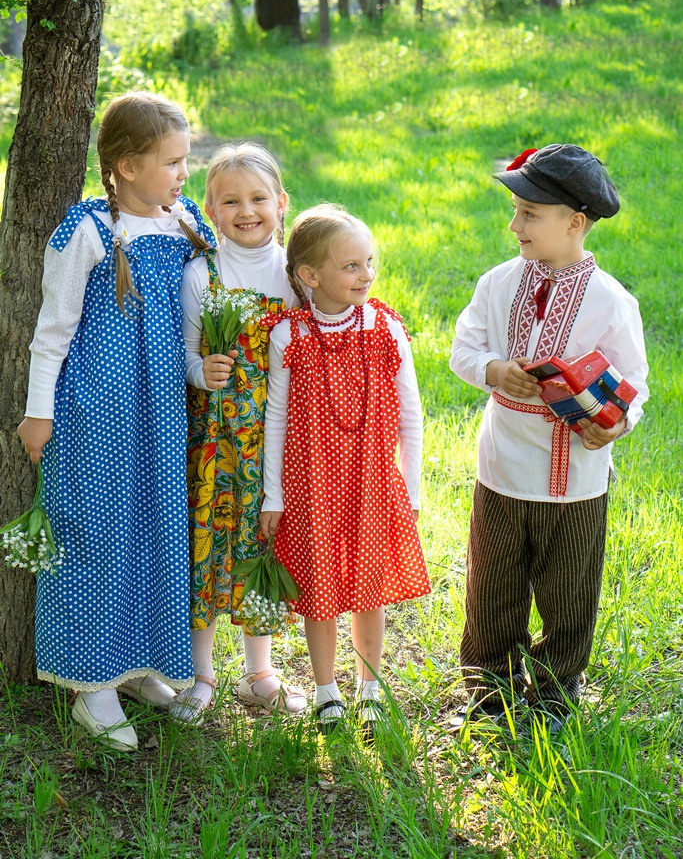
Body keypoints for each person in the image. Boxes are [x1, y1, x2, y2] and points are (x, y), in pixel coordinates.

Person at [17, 91, 215, 752]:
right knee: (95, 536)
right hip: (95, 411)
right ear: (127, 167)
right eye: (172, 162)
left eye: (185, 160)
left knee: (154, 531)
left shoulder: (183, 223)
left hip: (162, 411)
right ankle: (91, 688)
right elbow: (52, 331)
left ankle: (137, 665)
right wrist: (38, 412)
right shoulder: (89, 230)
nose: (184, 174)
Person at [449, 144, 649, 732]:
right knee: (493, 585)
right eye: (515, 211)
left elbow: (633, 383)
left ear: (575, 222)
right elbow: (464, 348)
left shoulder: (612, 301)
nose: (515, 225)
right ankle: (490, 688)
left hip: (575, 477)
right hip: (503, 467)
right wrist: (492, 369)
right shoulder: (497, 283)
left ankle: (557, 690)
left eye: (529, 214)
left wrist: (612, 424)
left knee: (569, 591)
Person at [260, 203, 431, 739]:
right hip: (310, 486)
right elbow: (275, 418)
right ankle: (325, 689)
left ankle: (370, 686)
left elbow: (410, 414)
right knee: (320, 588)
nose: (366, 274)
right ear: (310, 276)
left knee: (368, 589)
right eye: (351, 265)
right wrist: (272, 495)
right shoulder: (289, 336)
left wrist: (411, 489)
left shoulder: (385, 328)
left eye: (369, 262)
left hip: (372, 483)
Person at [171, 143, 307, 725]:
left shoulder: (296, 274)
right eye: (230, 202)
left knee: (261, 546)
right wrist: (203, 370)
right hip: (216, 438)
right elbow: (186, 354)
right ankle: (200, 674)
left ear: (281, 203)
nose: (246, 211)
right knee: (206, 544)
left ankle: (259, 673)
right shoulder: (202, 273)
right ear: (211, 210)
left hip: (276, 437)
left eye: (257, 199)